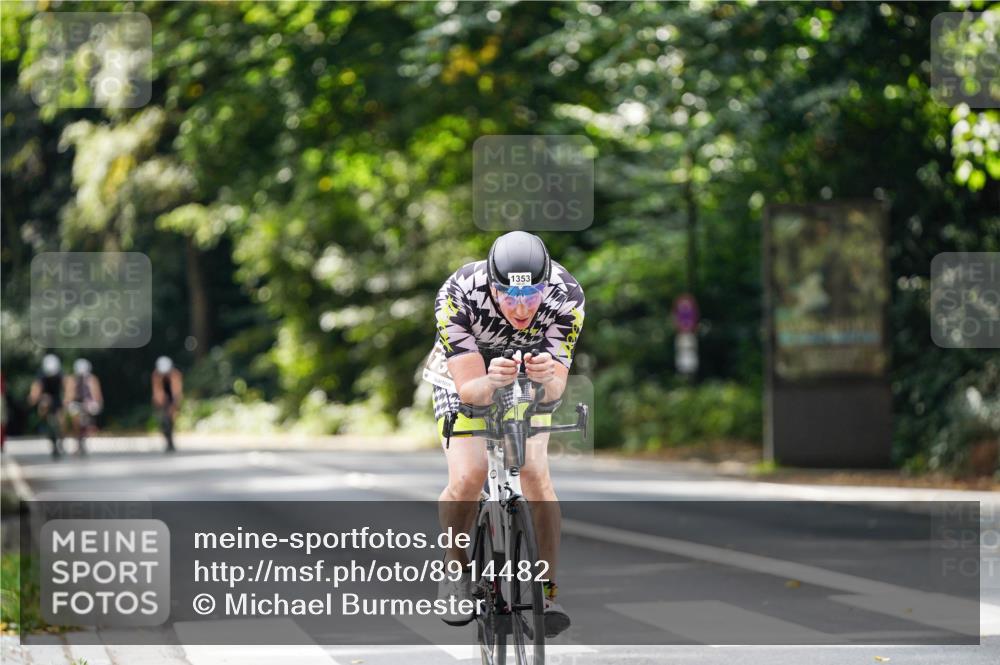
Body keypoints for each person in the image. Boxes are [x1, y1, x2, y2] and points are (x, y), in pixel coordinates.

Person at [425, 231, 585, 637]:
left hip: (525, 377)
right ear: (492, 286)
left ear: (545, 285)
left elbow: (555, 389)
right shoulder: (460, 292)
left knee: (534, 474)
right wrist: (489, 380)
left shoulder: (566, 295)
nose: (521, 307)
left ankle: (547, 591)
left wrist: (547, 379)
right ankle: (456, 568)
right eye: (509, 296)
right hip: (464, 376)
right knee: (470, 474)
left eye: (531, 295)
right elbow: (469, 390)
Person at [28, 354, 66, 458]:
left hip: (57, 397)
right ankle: (46, 424)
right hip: (46, 397)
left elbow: (67, 387)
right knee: (43, 405)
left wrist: (67, 399)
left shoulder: (60, 374)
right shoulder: (41, 374)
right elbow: (36, 387)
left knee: (61, 420)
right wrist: (33, 398)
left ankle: (61, 438)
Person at [65, 358, 103, 455]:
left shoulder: (92, 379)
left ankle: (88, 430)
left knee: (90, 416)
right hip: (76, 403)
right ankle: (78, 440)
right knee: (75, 418)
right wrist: (68, 402)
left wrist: (95, 403)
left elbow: (97, 394)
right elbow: (69, 395)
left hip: (89, 403)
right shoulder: (72, 379)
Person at [151, 356, 183, 452]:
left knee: (171, 419)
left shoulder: (175, 374)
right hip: (163, 397)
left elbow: (177, 391)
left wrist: (174, 406)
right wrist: (159, 403)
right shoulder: (156, 375)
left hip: (173, 397)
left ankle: (171, 442)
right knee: (163, 421)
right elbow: (157, 391)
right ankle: (167, 440)